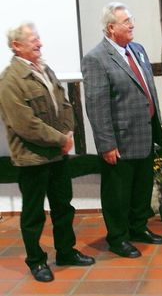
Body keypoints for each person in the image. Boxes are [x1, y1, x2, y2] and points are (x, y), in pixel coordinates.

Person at [0, 23, 95, 282]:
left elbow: (64, 104)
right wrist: (60, 140)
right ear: (16, 46)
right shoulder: (10, 81)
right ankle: (36, 261)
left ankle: (66, 252)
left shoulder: (45, 69)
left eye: (38, 38)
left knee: (63, 207)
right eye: (32, 40)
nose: (39, 43)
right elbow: (25, 124)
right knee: (33, 214)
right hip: (32, 159)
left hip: (56, 154)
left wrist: (68, 134)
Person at [82, 2, 162, 258]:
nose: (132, 25)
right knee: (117, 194)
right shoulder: (96, 59)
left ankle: (138, 228)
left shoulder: (137, 50)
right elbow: (97, 106)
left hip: (145, 134)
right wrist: (106, 144)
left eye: (131, 20)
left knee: (142, 188)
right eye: (126, 21)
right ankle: (118, 238)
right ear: (111, 27)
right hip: (119, 140)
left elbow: (146, 90)